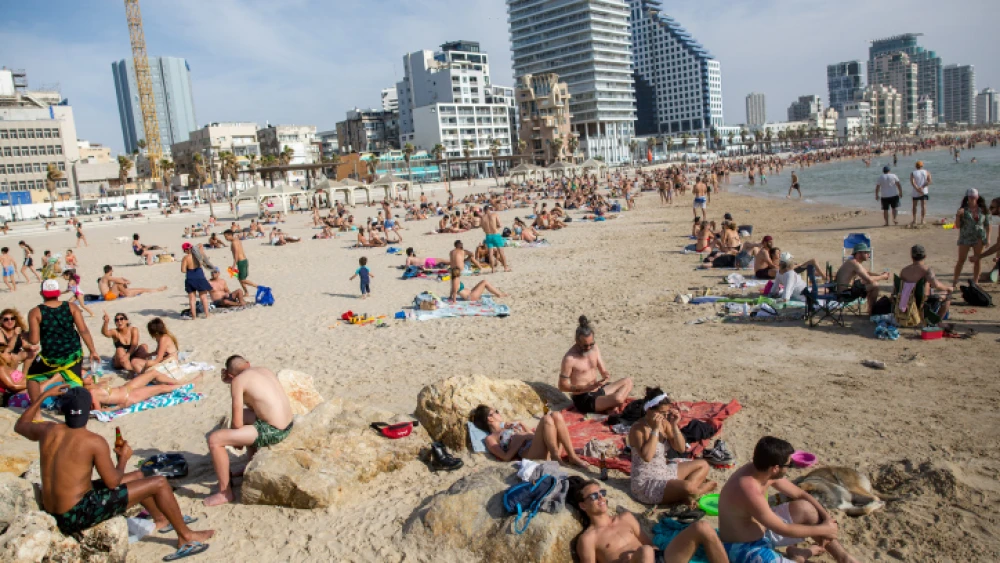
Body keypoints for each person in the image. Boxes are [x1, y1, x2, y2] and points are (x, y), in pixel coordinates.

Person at [14, 385, 214, 558]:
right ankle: (185, 536)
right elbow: (113, 483)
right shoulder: (93, 441)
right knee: (159, 482)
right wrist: (123, 459)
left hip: (57, 509)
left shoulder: (47, 430)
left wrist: (42, 396)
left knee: (138, 476)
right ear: (91, 408)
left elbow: (20, 425)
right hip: (77, 514)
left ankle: (161, 519)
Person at [718, 436, 858, 563]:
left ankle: (844, 558)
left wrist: (827, 518)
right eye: (789, 465)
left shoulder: (762, 471)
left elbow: (800, 494)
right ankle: (798, 557)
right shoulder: (749, 490)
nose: (790, 468)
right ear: (775, 468)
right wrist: (822, 530)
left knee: (806, 509)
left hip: (763, 530)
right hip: (743, 547)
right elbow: (783, 528)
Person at [204, 355, 293, 507]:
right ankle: (250, 463)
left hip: (274, 431)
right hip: (289, 423)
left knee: (215, 440)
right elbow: (255, 407)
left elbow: (237, 423)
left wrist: (235, 440)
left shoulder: (238, 381)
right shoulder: (264, 370)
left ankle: (225, 492)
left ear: (230, 375)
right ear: (248, 364)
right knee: (246, 414)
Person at [573, 479, 728, 563]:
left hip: (656, 558)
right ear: (582, 505)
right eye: (593, 496)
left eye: (602, 492)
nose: (601, 497)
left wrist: (649, 551)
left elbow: (650, 545)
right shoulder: (588, 539)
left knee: (701, 527)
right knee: (644, 551)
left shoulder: (625, 518)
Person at [628, 388, 716, 506]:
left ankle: (686, 494)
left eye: (666, 413)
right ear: (649, 410)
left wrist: (674, 426)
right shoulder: (637, 429)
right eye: (661, 413)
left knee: (703, 464)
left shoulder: (664, 423)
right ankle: (699, 491)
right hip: (647, 482)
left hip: (663, 470)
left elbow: (681, 448)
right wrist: (655, 429)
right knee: (688, 486)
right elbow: (647, 457)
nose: (664, 417)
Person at [24, 280, 101, 404]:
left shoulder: (36, 312)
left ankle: (36, 412)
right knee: (75, 382)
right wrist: (93, 351)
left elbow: (34, 340)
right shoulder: (71, 307)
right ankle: (79, 411)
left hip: (51, 357)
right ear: (58, 293)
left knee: (32, 377)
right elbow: (83, 330)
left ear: (41, 293)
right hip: (73, 353)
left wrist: (24, 334)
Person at [558, 316, 633, 414]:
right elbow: (562, 386)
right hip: (584, 397)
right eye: (585, 345)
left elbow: (603, 371)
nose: (589, 347)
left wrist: (605, 376)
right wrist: (585, 388)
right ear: (577, 341)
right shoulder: (570, 359)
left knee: (628, 381)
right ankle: (611, 406)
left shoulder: (595, 348)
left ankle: (609, 406)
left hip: (598, 390)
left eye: (591, 344)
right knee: (618, 398)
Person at [471, 404, 585, 467]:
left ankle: (572, 456)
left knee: (555, 415)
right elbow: (506, 457)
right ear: (489, 418)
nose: (498, 413)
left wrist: (521, 424)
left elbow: (533, 435)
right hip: (530, 452)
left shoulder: (509, 426)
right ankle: (555, 456)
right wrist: (521, 440)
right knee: (546, 419)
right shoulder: (490, 438)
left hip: (543, 446)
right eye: (495, 411)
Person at [899, 245, 953, 322]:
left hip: (907, 303)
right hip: (923, 303)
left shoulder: (904, 271)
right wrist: (948, 288)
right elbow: (936, 285)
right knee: (947, 295)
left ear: (912, 257)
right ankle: (937, 321)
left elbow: (898, 288)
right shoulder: (926, 270)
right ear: (925, 256)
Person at [833, 243, 889, 316]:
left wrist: (880, 275)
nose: (868, 255)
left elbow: (866, 273)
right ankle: (872, 311)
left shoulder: (853, 261)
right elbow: (869, 279)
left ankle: (871, 309)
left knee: (872, 283)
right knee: (875, 285)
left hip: (846, 290)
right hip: (845, 294)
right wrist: (883, 277)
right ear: (858, 253)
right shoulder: (854, 263)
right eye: (866, 253)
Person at [952, 189, 991, 287]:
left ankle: (976, 282)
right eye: (970, 197)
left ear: (977, 197)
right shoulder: (963, 210)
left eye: (974, 197)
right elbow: (958, 226)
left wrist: (988, 238)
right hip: (965, 237)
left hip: (979, 236)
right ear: (967, 198)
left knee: (977, 260)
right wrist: (957, 216)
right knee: (961, 260)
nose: (972, 199)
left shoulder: (983, 210)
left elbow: (987, 224)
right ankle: (955, 281)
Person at [1, 308, 35, 406]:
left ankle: (24, 376)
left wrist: (31, 347)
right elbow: (6, 349)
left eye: (12, 318)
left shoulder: (18, 329)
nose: (10, 321)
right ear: (1, 321)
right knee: (13, 357)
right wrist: (33, 384)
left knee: (31, 353)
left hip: (15, 354)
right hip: (7, 356)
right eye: (6, 319)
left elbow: (24, 345)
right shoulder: (1, 332)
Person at [181, 242, 213, 320]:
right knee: (204, 298)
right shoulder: (199, 256)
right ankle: (207, 314)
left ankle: (194, 316)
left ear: (185, 250)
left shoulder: (186, 258)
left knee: (192, 299)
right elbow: (201, 245)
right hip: (200, 276)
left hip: (190, 278)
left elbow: (183, 270)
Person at [98, 265, 166, 300]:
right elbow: (119, 280)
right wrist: (125, 281)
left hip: (109, 295)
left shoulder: (104, 278)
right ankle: (128, 294)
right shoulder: (106, 277)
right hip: (108, 297)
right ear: (110, 271)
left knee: (139, 289)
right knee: (117, 284)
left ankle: (156, 290)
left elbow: (118, 280)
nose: (112, 272)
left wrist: (123, 281)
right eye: (112, 271)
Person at [223, 229, 258, 295]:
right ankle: (246, 292)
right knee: (240, 278)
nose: (226, 238)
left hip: (241, 262)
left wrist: (234, 265)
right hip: (243, 261)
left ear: (230, 235)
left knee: (242, 279)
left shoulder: (234, 242)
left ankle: (258, 287)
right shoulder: (236, 240)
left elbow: (236, 254)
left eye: (226, 237)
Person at [482, 205, 511, 273]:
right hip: (496, 235)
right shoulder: (494, 214)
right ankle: (505, 268)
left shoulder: (483, 218)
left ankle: (493, 269)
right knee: (501, 252)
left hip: (488, 236)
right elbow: (499, 225)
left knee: (490, 253)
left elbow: (483, 228)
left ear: (484, 210)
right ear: (489, 209)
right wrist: (495, 227)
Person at [909, 161, 932, 226]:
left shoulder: (913, 173)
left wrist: (917, 188)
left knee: (914, 206)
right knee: (923, 206)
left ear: (916, 166)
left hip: (915, 191)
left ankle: (914, 220)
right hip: (924, 191)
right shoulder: (927, 172)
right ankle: (922, 220)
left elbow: (912, 182)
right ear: (922, 166)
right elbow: (929, 181)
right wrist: (922, 187)